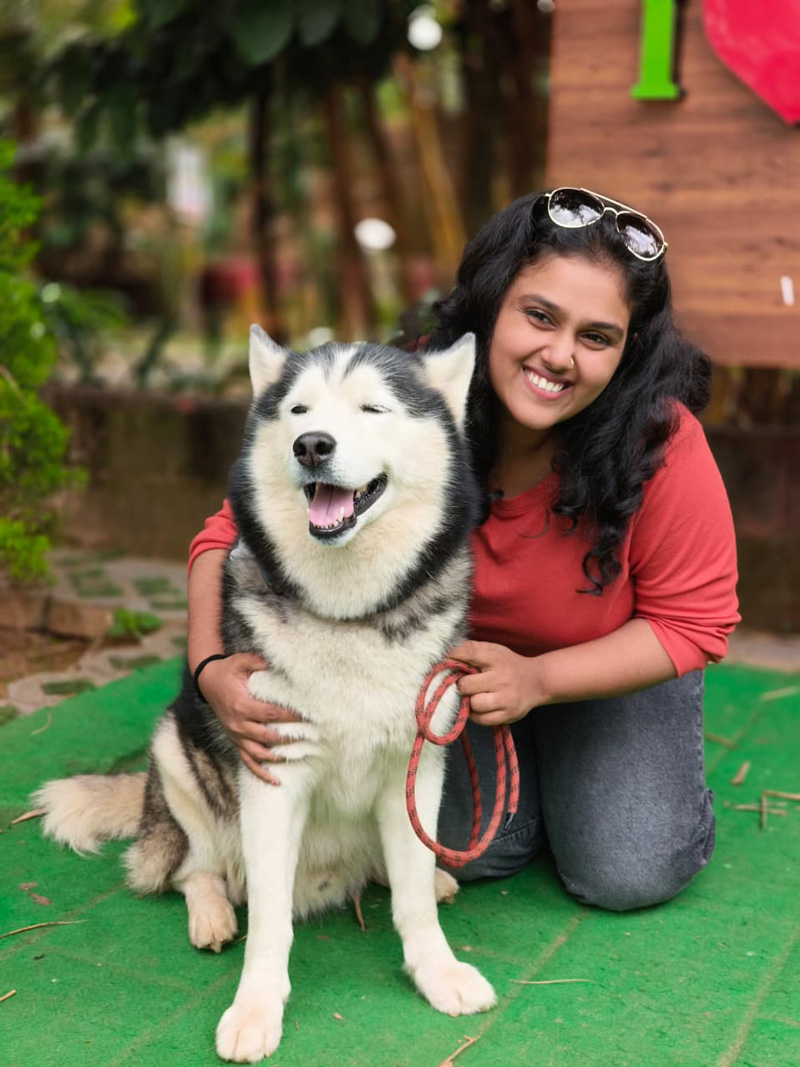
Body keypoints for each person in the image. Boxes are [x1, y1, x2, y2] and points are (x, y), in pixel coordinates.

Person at [186, 188, 740, 913]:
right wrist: (209, 668)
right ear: (491, 304)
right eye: (539, 316)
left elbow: (694, 624)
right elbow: (230, 530)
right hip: (451, 670)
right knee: (460, 849)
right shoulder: (409, 389)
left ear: (627, 351)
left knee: (628, 869)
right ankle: (538, 796)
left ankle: (605, 779)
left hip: (610, 666)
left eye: (597, 337)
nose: (559, 355)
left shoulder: (659, 441)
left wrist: (539, 680)